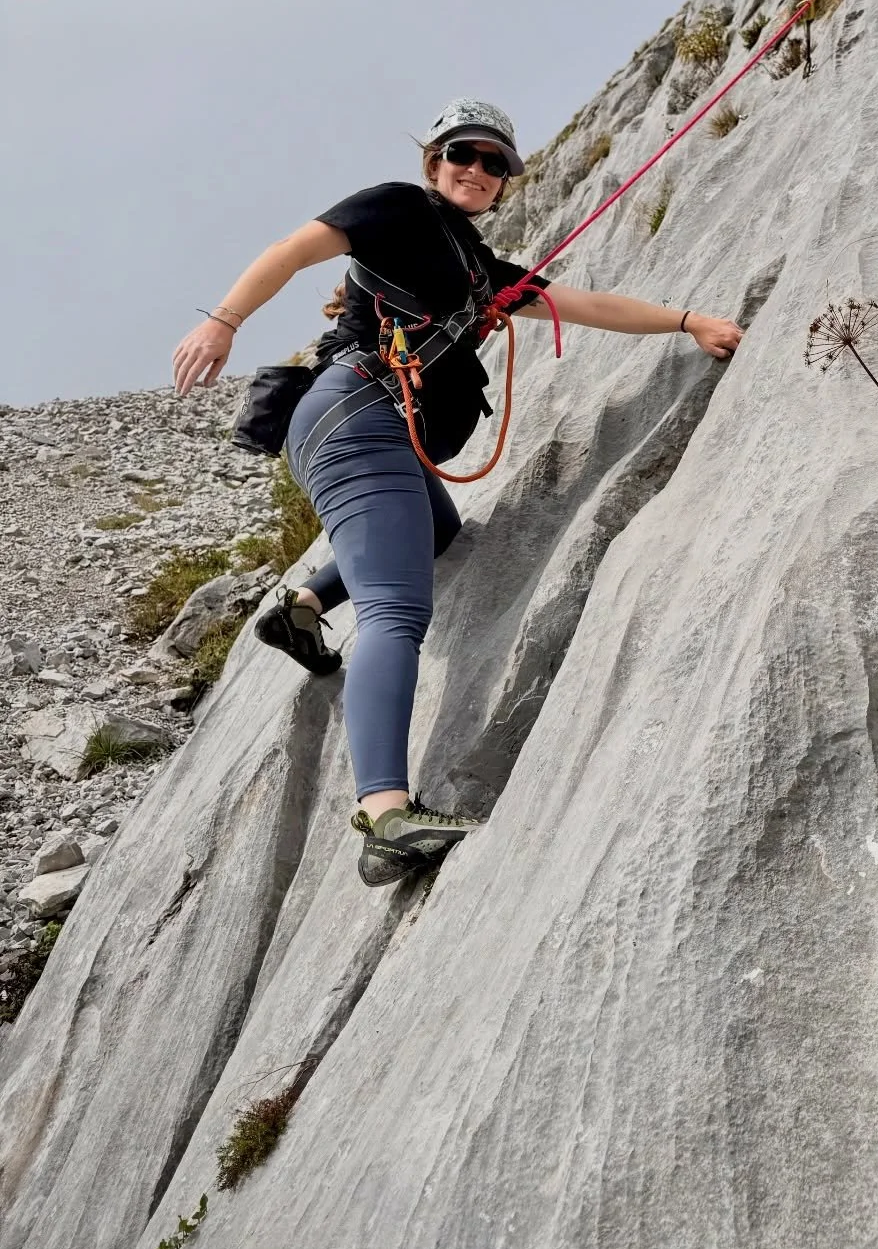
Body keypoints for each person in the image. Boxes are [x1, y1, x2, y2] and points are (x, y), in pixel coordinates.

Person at [172, 98, 742, 885]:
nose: (475, 171)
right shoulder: (396, 208)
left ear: (507, 181)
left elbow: (590, 306)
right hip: (358, 417)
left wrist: (689, 321)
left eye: (494, 163)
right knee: (397, 611)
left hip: (377, 437)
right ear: (434, 163)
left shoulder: (486, 275)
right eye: (461, 156)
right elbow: (293, 250)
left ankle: (300, 609)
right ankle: (383, 812)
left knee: (436, 532)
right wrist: (224, 321)